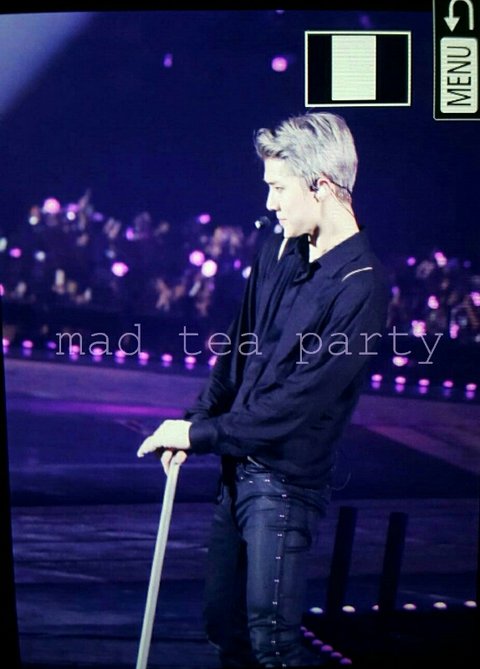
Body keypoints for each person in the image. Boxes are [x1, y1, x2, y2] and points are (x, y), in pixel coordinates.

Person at [137, 111, 390, 668]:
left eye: (279, 188)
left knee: (273, 644)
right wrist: (194, 421)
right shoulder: (279, 251)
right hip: (237, 471)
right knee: (223, 627)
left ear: (321, 186)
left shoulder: (361, 285)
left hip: (284, 485)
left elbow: (297, 403)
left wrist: (201, 435)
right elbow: (237, 352)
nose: (270, 202)